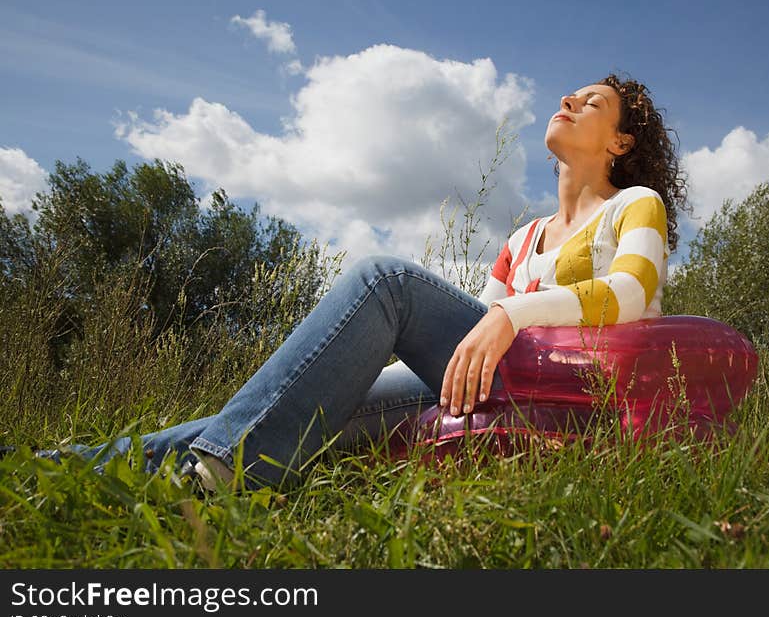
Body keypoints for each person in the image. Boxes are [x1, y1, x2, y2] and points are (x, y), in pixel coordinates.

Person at [10, 73, 689, 492]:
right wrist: (371, 355)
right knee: (325, 394)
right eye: (571, 93)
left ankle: (217, 477)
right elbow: (466, 348)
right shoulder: (520, 239)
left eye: (591, 101)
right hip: (500, 383)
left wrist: (514, 315)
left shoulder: (635, 206)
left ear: (621, 143)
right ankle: (57, 465)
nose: (567, 98)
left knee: (386, 279)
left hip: (570, 386)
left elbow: (630, 297)